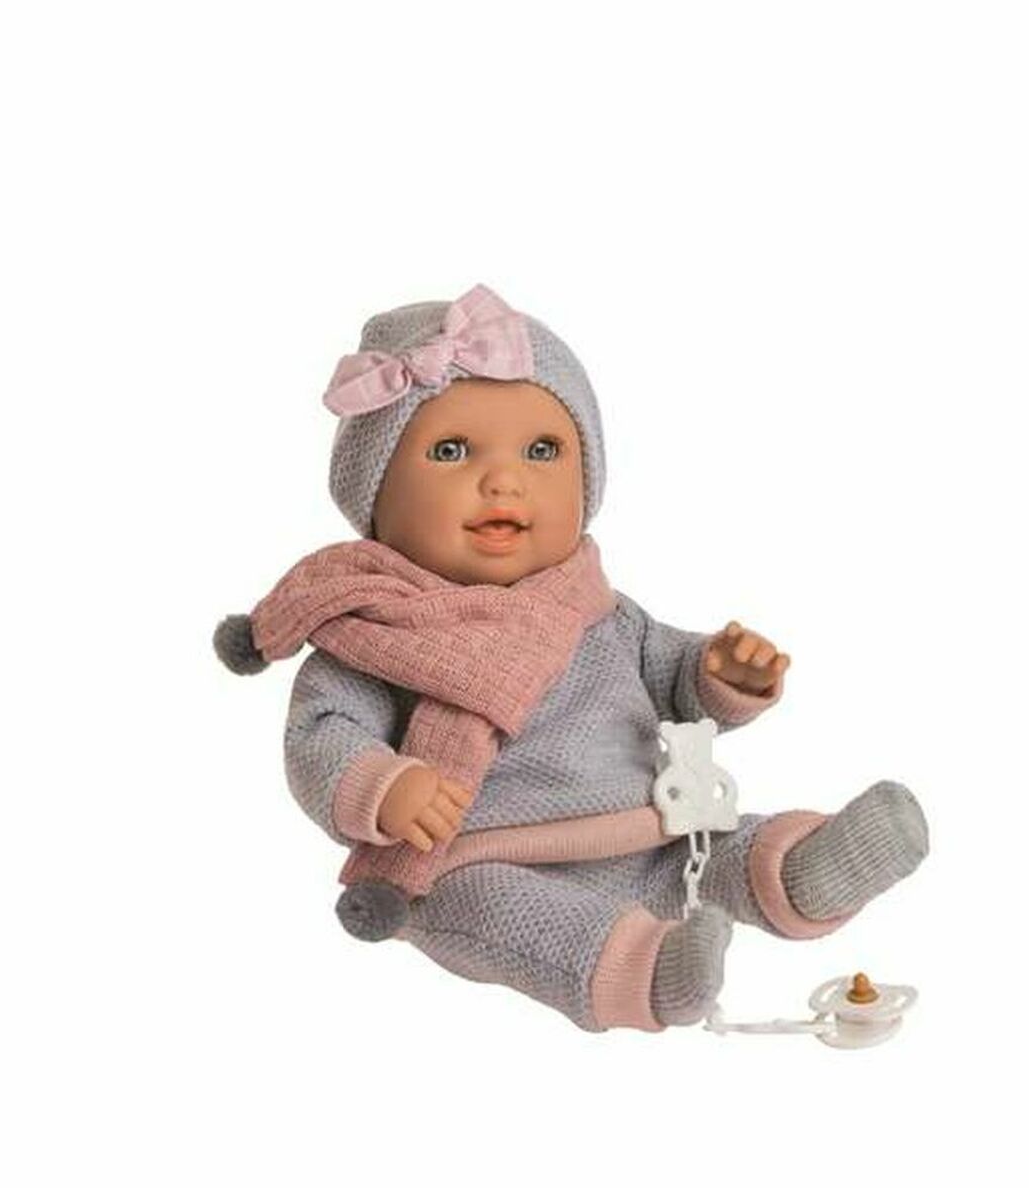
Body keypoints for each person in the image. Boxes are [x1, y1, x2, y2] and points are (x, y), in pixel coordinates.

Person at [214, 283, 928, 1032]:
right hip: (476, 857)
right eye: (451, 451)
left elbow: (669, 678)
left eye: (542, 451)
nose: (504, 479)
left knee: (719, 846)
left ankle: (803, 869)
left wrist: (719, 677)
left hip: (651, 833)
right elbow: (321, 735)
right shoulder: (373, 629)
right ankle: (650, 970)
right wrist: (383, 787)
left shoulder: (594, 609)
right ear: (375, 499)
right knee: (496, 912)